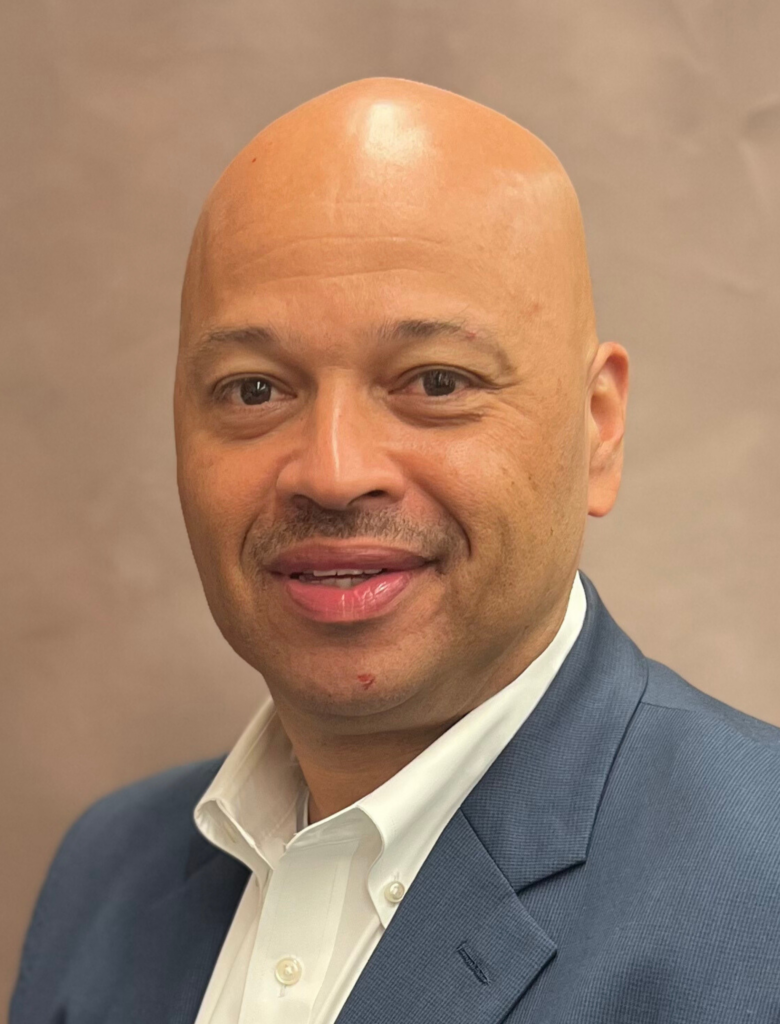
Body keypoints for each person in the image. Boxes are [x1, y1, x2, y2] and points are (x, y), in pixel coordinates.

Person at [10, 77, 780, 1024]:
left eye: (436, 380)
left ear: (599, 430)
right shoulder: (104, 877)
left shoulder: (763, 891)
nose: (332, 472)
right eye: (254, 390)